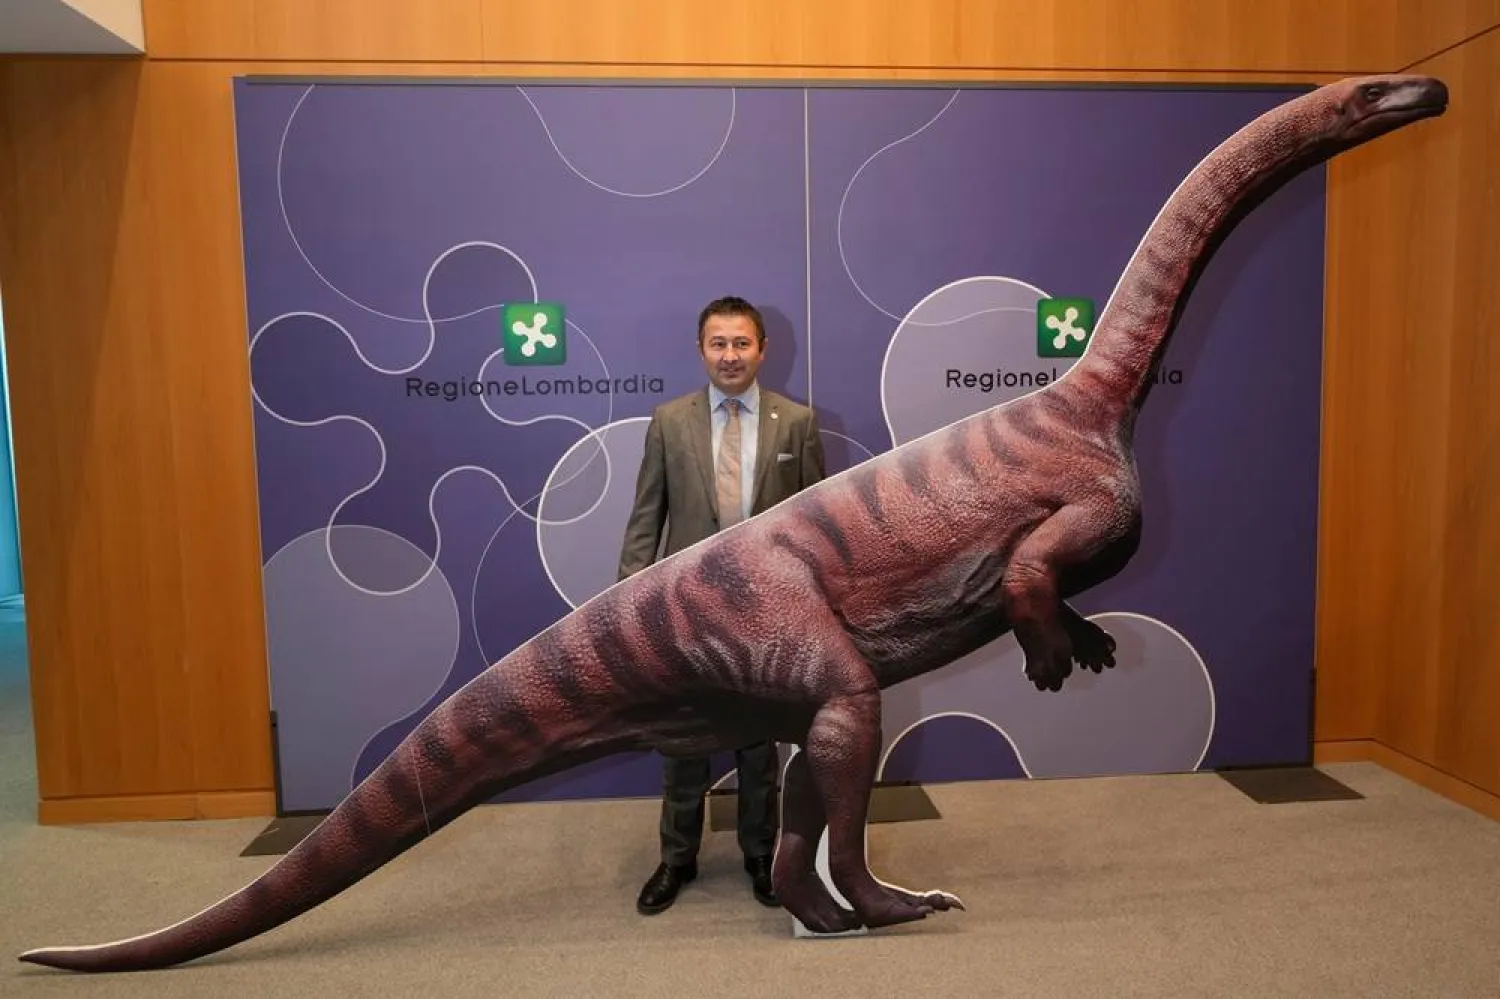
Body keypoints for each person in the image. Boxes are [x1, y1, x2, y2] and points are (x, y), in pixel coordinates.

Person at [616, 295, 828, 916]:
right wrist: (630, 606)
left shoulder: (796, 422)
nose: (730, 355)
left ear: (762, 350)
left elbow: (816, 521)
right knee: (684, 741)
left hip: (768, 613)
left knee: (758, 744)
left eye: (741, 344)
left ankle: (760, 856)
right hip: (685, 611)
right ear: (701, 350)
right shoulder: (668, 422)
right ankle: (676, 858)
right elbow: (644, 521)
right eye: (718, 344)